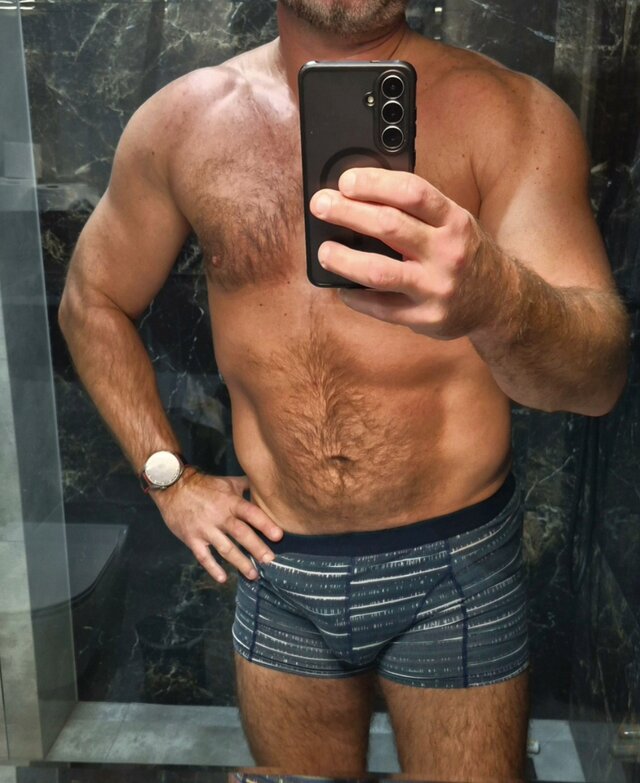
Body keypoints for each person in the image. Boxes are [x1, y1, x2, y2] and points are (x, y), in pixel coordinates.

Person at [58, 1, 630, 780]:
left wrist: (494, 297)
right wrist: (171, 480)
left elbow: (598, 379)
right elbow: (90, 300)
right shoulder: (182, 124)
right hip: (279, 565)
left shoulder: (512, 116)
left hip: (455, 565)